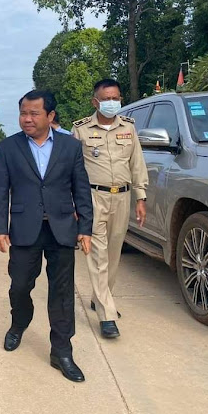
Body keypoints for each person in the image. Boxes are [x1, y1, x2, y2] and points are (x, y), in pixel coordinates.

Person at [0, 90, 93, 383]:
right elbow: (0, 191)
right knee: (20, 285)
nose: (27, 119)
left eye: (34, 113)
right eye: (23, 113)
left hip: (62, 228)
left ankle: (61, 351)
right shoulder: (8, 147)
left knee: (62, 292)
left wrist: (85, 228)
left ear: (50, 116)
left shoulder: (70, 147)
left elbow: (81, 188)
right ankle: (19, 322)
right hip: (24, 228)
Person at [72, 78, 148, 339]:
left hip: (122, 198)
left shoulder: (128, 128)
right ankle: (107, 314)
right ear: (95, 102)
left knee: (114, 255)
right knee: (97, 255)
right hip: (93, 198)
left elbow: (137, 164)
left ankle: (100, 297)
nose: (112, 103)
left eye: (116, 98)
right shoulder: (81, 130)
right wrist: (74, 203)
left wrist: (140, 197)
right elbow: (72, 170)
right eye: (106, 99)